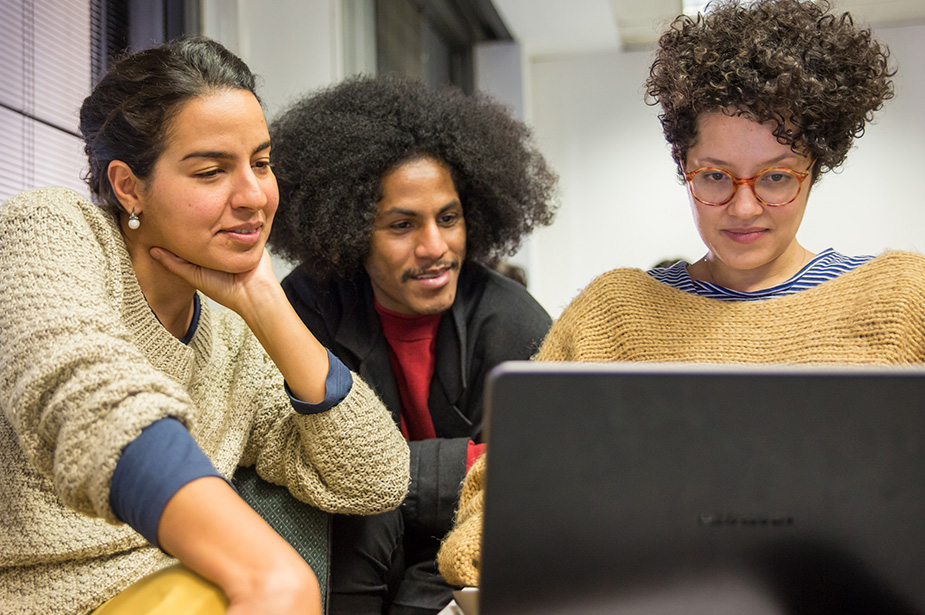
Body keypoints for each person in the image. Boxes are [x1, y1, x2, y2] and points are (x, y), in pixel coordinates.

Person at [437, 0, 908, 589]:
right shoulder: (615, 315)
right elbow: (502, 492)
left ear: (818, 165)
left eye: (776, 177)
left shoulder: (900, 301)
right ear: (683, 164)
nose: (743, 207)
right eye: (714, 175)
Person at [0, 37, 410, 615]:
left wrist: (268, 303)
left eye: (262, 163)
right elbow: (87, 393)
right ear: (128, 186)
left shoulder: (231, 331)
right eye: (212, 171)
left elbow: (374, 476)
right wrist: (265, 570)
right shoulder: (51, 230)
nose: (254, 196)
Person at [267, 75, 558, 614]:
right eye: (401, 225)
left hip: (472, 551)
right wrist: (450, 465)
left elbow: (535, 476)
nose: (435, 247)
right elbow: (300, 458)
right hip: (346, 540)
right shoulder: (308, 307)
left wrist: (394, 466)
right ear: (351, 231)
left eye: (449, 219)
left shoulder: (514, 322)